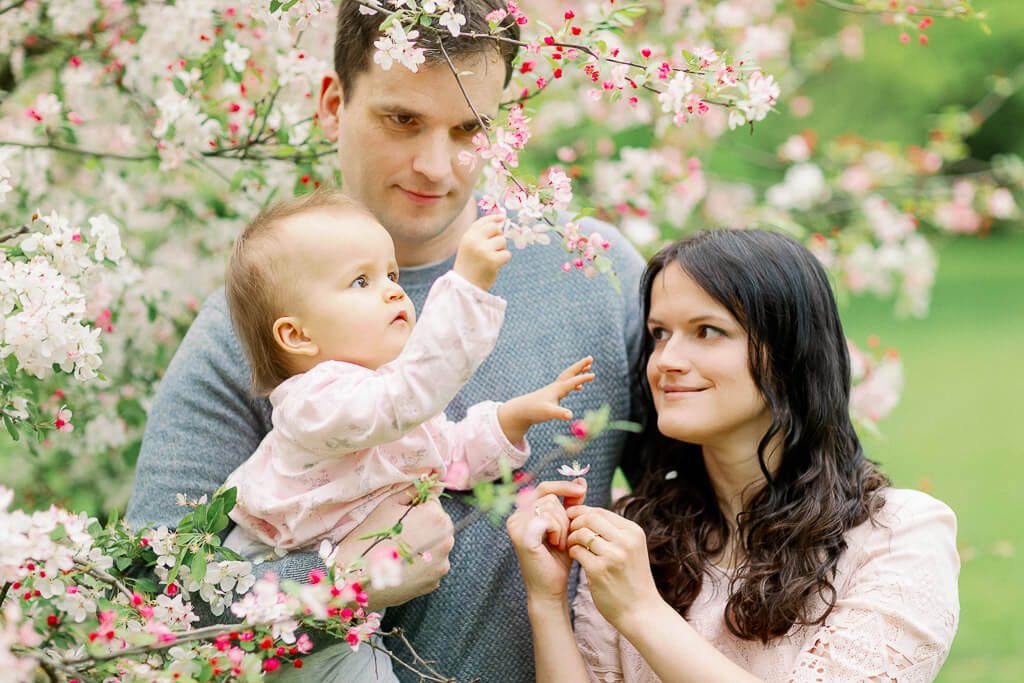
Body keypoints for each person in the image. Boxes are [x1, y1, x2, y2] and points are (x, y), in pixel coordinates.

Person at [124, 0, 645, 680]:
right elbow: (149, 605)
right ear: (332, 104)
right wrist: (340, 581)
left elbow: (718, 514)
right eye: (403, 120)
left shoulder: (592, 272)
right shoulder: (246, 329)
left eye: (469, 128)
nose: (436, 166)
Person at [508, 229, 960, 682]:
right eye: (659, 334)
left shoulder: (898, 536)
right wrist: (546, 601)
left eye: (707, 331)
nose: (666, 360)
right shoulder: (636, 533)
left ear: (788, 353)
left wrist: (642, 611)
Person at [220, 190, 595, 677]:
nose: (393, 292)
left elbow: (451, 457)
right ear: (298, 335)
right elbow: (404, 400)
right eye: (361, 281)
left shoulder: (386, 397)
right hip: (272, 572)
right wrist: (465, 288)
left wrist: (511, 419)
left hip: (345, 614)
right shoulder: (314, 403)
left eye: (392, 276)